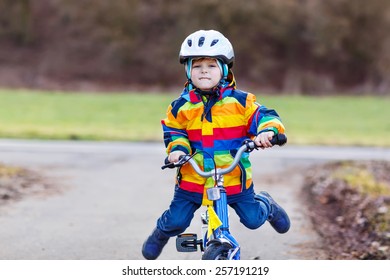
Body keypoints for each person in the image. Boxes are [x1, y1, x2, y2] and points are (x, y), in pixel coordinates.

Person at [142, 30, 290, 260]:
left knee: (253, 219)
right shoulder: (180, 106)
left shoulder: (241, 102)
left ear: (224, 69)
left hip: (233, 179)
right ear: (188, 70)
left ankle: (267, 204)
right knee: (176, 221)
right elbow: (174, 130)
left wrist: (267, 132)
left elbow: (266, 116)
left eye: (211, 65)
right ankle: (161, 233)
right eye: (197, 65)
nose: (203, 71)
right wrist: (178, 149)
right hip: (193, 179)